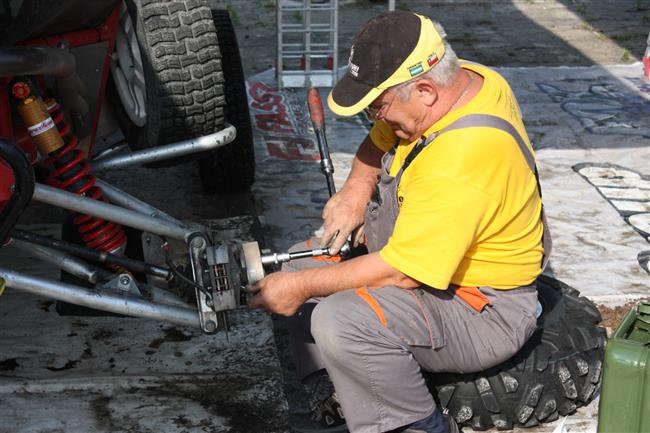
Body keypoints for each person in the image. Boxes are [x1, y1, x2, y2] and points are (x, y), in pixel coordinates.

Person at [248, 10, 550, 433]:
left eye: (378, 106)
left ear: (424, 90)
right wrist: (355, 190)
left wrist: (299, 289)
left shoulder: (463, 156)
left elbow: (401, 273)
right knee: (302, 262)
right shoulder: (462, 82)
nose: (377, 117)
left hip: (482, 307)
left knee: (341, 319)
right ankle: (332, 397)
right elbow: (378, 144)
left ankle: (416, 425)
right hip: (432, 273)